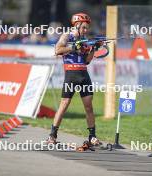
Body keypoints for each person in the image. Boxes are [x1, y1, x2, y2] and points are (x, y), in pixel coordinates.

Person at [46, 13, 102, 146]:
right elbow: (58, 50)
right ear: (76, 25)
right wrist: (73, 47)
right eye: (84, 27)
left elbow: (87, 61)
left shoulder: (85, 39)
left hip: (84, 75)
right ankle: (52, 136)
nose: (86, 30)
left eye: (87, 28)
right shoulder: (67, 36)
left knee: (89, 107)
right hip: (71, 74)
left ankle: (92, 137)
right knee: (64, 105)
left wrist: (93, 49)